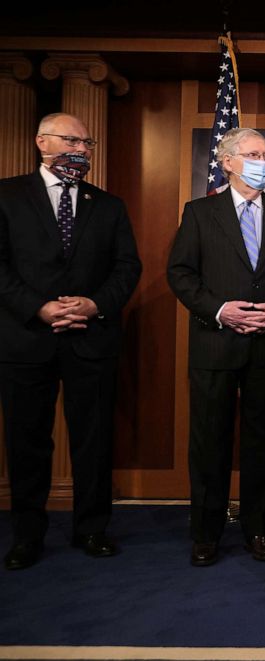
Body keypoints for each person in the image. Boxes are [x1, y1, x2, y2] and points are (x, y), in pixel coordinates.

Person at [0, 113, 142, 570]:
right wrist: (38, 307)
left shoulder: (109, 205)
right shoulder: (6, 195)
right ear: (41, 141)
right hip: (27, 339)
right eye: (70, 140)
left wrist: (93, 304)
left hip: (91, 337)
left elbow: (127, 268)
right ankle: (26, 534)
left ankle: (92, 528)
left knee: (94, 440)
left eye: (86, 142)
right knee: (27, 441)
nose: (80, 149)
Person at [167, 127, 265, 567]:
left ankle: (259, 528)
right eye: (252, 154)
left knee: (263, 444)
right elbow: (181, 273)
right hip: (215, 345)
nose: (262, 160)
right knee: (210, 443)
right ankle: (205, 534)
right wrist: (220, 309)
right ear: (227, 162)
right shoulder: (199, 212)